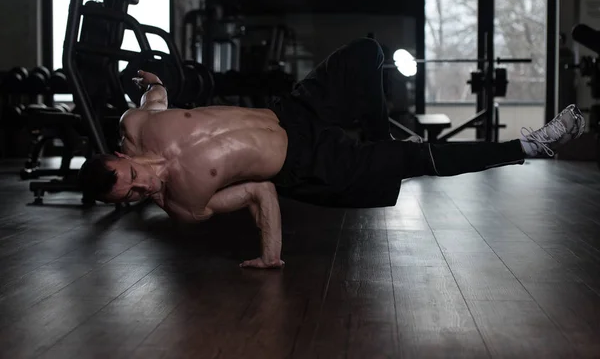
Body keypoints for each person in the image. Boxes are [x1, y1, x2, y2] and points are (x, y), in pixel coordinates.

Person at [77, 38, 585, 269]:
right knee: (414, 162)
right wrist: (271, 254)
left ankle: (378, 136)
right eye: (132, 198)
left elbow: (156, 101)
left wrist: (154, 82)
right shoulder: (184, 203)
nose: (142, 192)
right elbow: (259, 191)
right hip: (306, 164)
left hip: (292, 112)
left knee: (363, 54)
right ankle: (529, 146)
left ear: (117, 158)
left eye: (131, 182)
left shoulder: (137, 123)